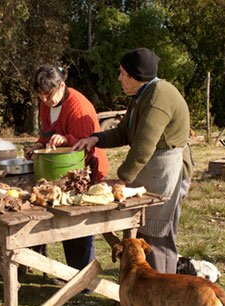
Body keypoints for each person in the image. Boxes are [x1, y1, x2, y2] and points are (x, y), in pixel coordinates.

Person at [73, 48, 192, 274]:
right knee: (142, 231)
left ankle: (161, 296)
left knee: (158, 238)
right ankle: (141, 292)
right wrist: (95, 139)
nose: (119, 78)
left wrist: (122, 180)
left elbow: (143, 146)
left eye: (122, 73)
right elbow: (125, 133)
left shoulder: (158, 97)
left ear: (135, 75)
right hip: (151, 170)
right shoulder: (141, 96)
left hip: (168, 171)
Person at [24, 64, 110, 277]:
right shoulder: (47, 103)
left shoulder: (78, 107)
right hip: (58, 173)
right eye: (40, 96)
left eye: (48, 95)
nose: (44, 101)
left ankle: (83, 281)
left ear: (62, 85)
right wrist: (38, 145)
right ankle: (39, 263)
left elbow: (86, 144)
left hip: (86, 171)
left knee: (76, 228)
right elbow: (46, 134)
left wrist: (67, 139)